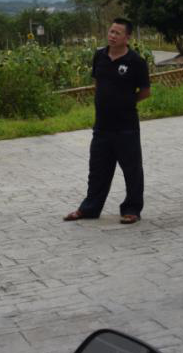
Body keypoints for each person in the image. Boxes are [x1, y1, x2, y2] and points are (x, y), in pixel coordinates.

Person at [64, 18, 151, 224]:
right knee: (97, 170)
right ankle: (90, 208)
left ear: (127, 37)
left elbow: (145, 92)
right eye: (111, 31)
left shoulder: (136, 61)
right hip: (102, 126)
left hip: (126, 127)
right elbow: (98, 83)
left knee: (132, 170)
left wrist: (126, 102)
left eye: (117, 33)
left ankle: (132, 209)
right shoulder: (99, 56)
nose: (112, 36)